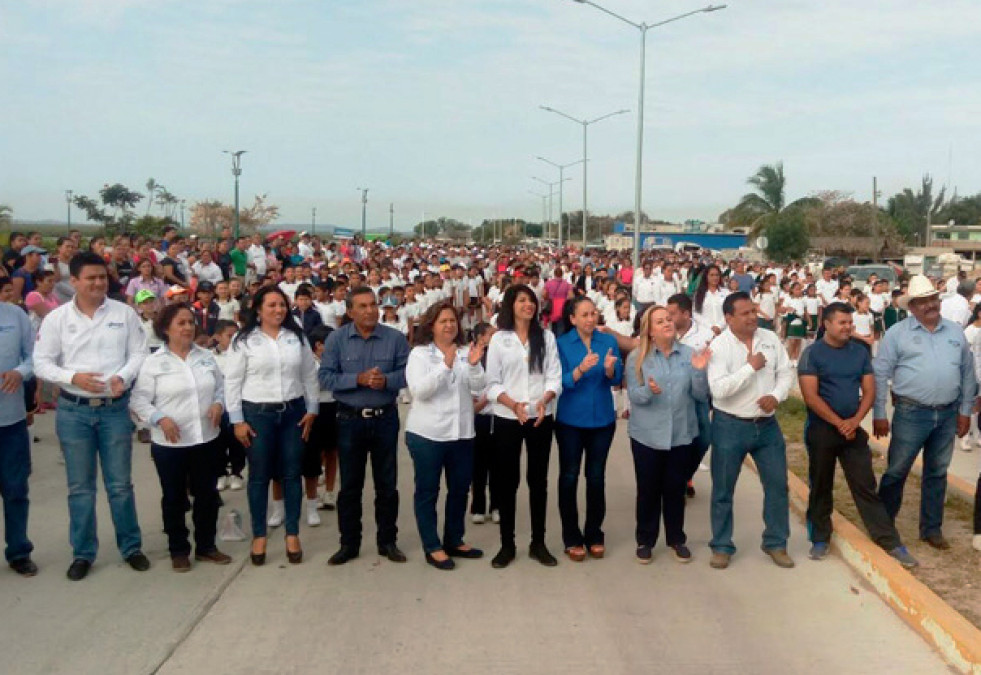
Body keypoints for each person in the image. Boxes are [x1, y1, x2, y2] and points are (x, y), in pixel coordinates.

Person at [34, 251, 150, 581]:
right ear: (74, 282)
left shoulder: (124, 314)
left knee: (120, 486)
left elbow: (139, 352)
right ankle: (83, 552)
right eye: (91, 278)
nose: (99, 283)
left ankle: (131, 547)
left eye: (102, 277)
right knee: (80, 488)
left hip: (114, 411)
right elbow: (42, 362)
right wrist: (74, 378)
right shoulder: (57, 319)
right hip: (74, 412)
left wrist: (123, 377)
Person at [797, 302, 918, 568]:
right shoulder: (813, 354)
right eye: (842, 322)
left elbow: (870, 390)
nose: (848, 327)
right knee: (821, 484)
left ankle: (890, 541)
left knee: (866, 486)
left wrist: (854, 421)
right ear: (826, 324)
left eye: (850, 322)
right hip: (822, 431)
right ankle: (819, 538)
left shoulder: (860, 352)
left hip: (852, 430)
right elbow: (810, 396)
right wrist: (838, 422)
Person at [873, 275, 977, 550]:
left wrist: (965, 410)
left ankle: (931, 529)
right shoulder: (897, 333)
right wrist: (879, 413)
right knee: (897, 470)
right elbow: (880, 374)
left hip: (947, 414)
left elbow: (968, 374)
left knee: (937, 472)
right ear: (912, 307)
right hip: (910, 413)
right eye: (924, 302)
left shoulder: (955, 332)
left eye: (933, 299)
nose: (931, 305)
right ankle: (884, 527)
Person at [129, 304, 233, 572]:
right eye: (181, 323)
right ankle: (178, 549)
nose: (188, 328)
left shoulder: (206, 357)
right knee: (174, 498)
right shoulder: (153, 363)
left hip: (207, 438)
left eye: (190, 322)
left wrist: (218, 405)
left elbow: (221, 389)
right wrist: (160, 419)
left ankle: (206, 546)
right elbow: (139, 400)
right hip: (171, 444)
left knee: (207, 495)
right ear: (166, 328)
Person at [223, 286, 319, 566]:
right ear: (258, 308)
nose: (278, 310)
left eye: (282, 305)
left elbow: (309, 375)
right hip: (257, 415)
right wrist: (237, 420)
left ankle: (292, 533)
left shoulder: (296, 337)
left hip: (293, 413)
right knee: (260, 476)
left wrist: (312, 409)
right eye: (272, 305)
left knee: (291, 473)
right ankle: (259, 535)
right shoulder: (244, 341)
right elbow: (232, 382)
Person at [320, 286, 410, 566]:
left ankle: (387, 541)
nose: (370, 310)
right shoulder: (336, 339)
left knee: (387, 484)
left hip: (384, 418)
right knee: (350, 486)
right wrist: (356, 379)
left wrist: (388, 381)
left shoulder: (394, 338)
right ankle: (349, 543)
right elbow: (325, 377)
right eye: (363, 306)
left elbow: (408, 373)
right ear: (350, 311)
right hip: (349, 420)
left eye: (373, 304)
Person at [706, 291, 794, 570]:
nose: (752, 317)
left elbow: (785, 372)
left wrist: (777, 396)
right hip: (729, 425)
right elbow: (718, 389)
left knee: (778, 485)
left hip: (766, 425)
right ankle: (721, 545)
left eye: (754, 311)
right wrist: (749, 368)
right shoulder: (718, 347)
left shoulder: (770, 339)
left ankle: (776, 542)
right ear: (729, 318)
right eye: (745, 313)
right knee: (723, 489)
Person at [484, 284, 562, 568]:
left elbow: (554, 376)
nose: (528, 305)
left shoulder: (547, 338)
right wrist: (512, 404)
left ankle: (538, 543)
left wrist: (546, 398)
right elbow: (492, 383)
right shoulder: (499, 340)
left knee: (538, 480)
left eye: (531, 300)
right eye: (521, 300)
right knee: (508, 481)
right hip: (508, 417)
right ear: (510, 305)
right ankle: (507, 544)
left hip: (541, 416)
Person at [404, 301, 486, 570]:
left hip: (462, 433)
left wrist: (473, 365)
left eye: (452, 320)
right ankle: (432, 545)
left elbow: (478, 387)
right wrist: (445, 367)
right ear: (432, 325)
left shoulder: (465, 351)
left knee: (460, 489)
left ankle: (454, 539)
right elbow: (419, 391)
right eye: (443, 321)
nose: (449, 325)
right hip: (428, 434)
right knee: (428, 491)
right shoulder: (419, 354)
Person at [626, 306, 710, 563]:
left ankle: (676, 539)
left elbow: (699, 395)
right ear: (649, 331)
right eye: (660, 321)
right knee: (648, 490)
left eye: (669, 319)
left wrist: (698, 371)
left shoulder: (689, 355)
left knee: (675, 490)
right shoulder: (637, 357)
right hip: (647, 436)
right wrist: (650, 390)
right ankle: (645, 540)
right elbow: (635, 397)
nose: (667, 324)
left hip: (681, 433)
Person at [554, 296, 622, 562]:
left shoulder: (608, 341)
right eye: (584, 315)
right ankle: (571, 537)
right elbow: (557, 381)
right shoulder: (561, 344)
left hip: (602, 420)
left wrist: (608, 370)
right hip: (571, 420)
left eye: (593, 313)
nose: (590, 319)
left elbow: (617, 378)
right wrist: (579, 370)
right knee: (569, 477)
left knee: (596, 478)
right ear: (572, 319)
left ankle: (594, 533)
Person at [0, 296, 37, 576]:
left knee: (15, 490)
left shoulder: (15, 315)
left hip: (11, 422)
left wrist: (20, 372)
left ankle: (18, 551)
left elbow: (33, 357)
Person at [469, 322, 498, 524]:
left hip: (499, 416)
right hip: (479, 417)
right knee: (478, 465)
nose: (494, 338)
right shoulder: (469, 357)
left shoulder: (498, 356)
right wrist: (485, 400)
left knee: (498, 465)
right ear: (480, 337)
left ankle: (496, 505)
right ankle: (478, 506)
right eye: (490, 335)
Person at [212, 320, 245, 491]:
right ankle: (220, 473)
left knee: (236, 442)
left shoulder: (240, 354)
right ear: (217, 337)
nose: (233, 341)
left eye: (236, 337)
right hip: (217, 407)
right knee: (218, 442)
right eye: (229, 336)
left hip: (236, 405)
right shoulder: (210, 357)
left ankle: (236, 473)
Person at [692, 265, 728, 335]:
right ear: (706, 276)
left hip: (723, 331)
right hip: (705, 331)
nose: (715, 278)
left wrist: (719, 326)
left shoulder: (726, 293)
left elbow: (729, 312)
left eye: (717, 275)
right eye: (711, 275)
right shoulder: (699, 294)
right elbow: (695, 313)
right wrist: (710, 326)